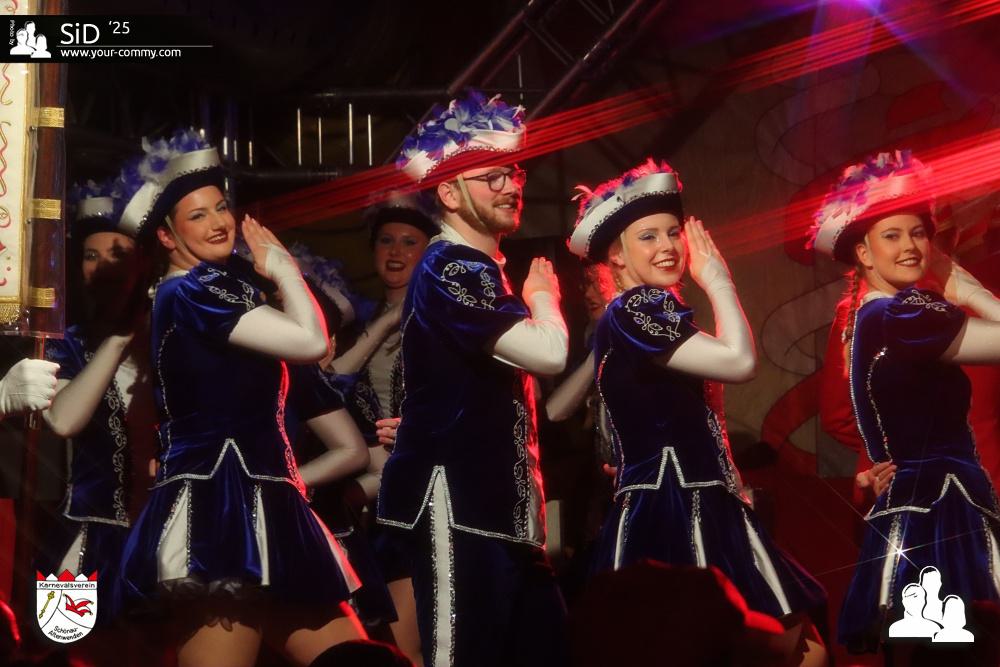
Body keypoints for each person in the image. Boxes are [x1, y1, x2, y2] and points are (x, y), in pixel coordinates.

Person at [115, 129, 365, 667]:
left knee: (355, 658)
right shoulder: (196, 289)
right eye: (197, 215)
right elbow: (313, 343)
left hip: (264, 494)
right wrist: (284, 268)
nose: (218, 222)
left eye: (221, 207)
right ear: (166, 237)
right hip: (224, 504)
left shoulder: (205, 290)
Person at [568, 158, 827, 664]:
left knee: (786, 643)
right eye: (648, 237)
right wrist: (719, 281)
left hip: (695, 494)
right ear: (616, 256)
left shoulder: (646, 314)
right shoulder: (637, 309)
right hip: (678, 502)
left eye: (673, 232)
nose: (667, 246)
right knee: (767, 643)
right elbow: (741, 361)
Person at [379, 91, 570, 666]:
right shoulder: (453, 265)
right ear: (448, 192)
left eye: (514, 173)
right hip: (461, 508)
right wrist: (544, 298)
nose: (511, 186)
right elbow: (549, 352)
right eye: (492, 177)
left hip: (501, 515)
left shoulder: (478, 268)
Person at [809, 149, 1000, 653]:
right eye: (892, 235)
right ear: (864, 253)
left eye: (918, 233)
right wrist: (968, 287)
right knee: (954, 643)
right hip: (938, 508)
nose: (912, 245)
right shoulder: (904, 314)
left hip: (924, 501)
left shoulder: (876, 314)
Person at [327, 193, 437, 665]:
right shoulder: (363, 322)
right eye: (386, 240)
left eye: (409, 242)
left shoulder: (437, 321)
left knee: (412, 646)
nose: (395, 251)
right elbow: (330, 384)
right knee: (387, 646)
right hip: (377, 500)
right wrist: (389, 318)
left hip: (421, 493)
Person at [40, 179, 156, 618]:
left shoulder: (171, 339)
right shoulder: (65, 343)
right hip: (89, 533)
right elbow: (63, 420)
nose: (104, 266)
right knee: (66, 636)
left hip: (168, 534)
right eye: (91, 255)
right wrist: (118, 338)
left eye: (117, 254)